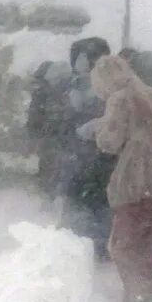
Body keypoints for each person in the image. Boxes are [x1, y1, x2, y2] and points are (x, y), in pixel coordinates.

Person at [80, 55, 152, 302]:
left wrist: (98, 129)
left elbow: (109, 142)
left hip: (137, 183)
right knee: (147, 243)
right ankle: (136, 301)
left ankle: (145, 295)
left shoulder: (120, 99)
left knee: (122, 245)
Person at [60, 37, 116, 261]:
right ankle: (87, 247)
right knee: (89, 202)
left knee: (93, 202)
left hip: (95, 156)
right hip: (86, 158)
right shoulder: (77, 87)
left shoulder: (105, 91)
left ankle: (90, 247)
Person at [25, 59, 73, 201]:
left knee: (48, 163)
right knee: (54, 163)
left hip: (49, 133)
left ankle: (48, 193)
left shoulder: (42, 91)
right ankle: (52, 192)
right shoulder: (64, 89)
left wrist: (33, 133)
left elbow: (35, 114)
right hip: (58, 133)